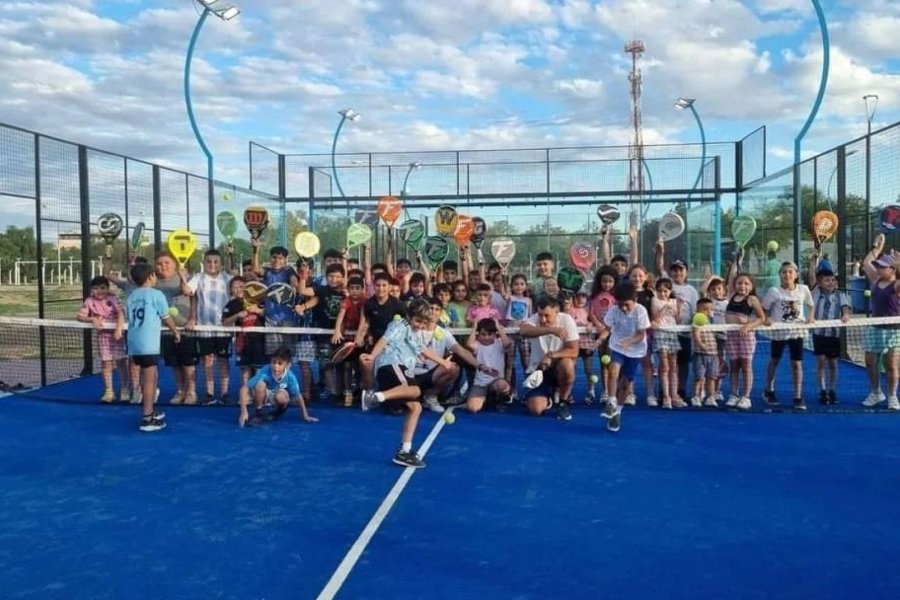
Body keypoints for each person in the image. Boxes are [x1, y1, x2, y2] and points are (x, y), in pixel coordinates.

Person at [362, 299, 454, 469]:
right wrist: (372, 356)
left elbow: (422, 350)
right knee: (415, 390)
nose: (420, 325)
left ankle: (404, 451)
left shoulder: (412, 332)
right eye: (418, 321)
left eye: (423, 322)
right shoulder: (400, 324)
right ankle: (374, 397)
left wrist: (444, 362)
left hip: (401, 368)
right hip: (391, 365)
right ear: (409, 316)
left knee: (415, 408)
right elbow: (384, 340)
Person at [126, 263, 179, 432]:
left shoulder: (132, 296)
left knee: (149, 375)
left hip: (134, 343)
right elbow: (166, 317)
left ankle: (150, 410)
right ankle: (147, 418)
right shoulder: (157, 294)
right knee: (149, 379)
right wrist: (175, 331)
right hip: (148, 343)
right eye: (154, 274)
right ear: (149, 277)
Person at [597, 281, 650, 433]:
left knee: (626, 384)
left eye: (627, 304)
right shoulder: (614, 311)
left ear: (635, 300)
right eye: (621, 304)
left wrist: (629, 342)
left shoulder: (641, 311)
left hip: (636, 350)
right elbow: (607, 330)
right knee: (613, 371)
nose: (624, 308)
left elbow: (641, 335)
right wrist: (600, 339)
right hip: (618, 347)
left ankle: (617, 411)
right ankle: (611, 400)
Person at [762, 261, 815, 411]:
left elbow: (811, 305)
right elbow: (764, 308)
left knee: (797, 364)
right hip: (779, 332)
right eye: (784, 272)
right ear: (780, 275)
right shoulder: (774, 291)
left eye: (790, 272)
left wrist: (811, 317)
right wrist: (767, 318)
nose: (787, 275)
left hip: (797, 332)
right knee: (775, 360)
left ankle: (798, 396)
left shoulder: (803, 290)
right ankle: (769, 390)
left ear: (796, 275)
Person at [519, 296, 580, 420]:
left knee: (567, 364)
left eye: (547, 315)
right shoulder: (534, 319)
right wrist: (550, 330)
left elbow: (574, 350)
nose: (542, 319)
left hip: (558, 367)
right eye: (540, 314)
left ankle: (564, 402)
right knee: (536, 409)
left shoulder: (567, 320)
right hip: (539, 369)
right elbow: (524, 331)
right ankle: (549, 396)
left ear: (556, 311)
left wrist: (551, 355)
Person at [186, 249, 232, 405]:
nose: (212, 264)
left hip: (224, 329)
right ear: (204, 262)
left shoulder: (228, 278)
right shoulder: (198, 278)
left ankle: (225, 394)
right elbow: (188, 291)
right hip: (204, 328)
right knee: (207, 360)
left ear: (221, 263)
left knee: (223, 362)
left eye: (216, 261)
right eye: (209, 261)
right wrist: (181, 273)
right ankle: (209, 394)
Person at [861, 235, 900, 410]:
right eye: (879, 266)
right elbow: (866, 263)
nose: (878, 268)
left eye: (883, 267)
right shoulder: (876, 279)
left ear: (892, 269)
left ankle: (892, 396)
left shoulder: (896, 285)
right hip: (875, 328)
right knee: (870, 361)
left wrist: (899, 263)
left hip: (894, 329)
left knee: (891, 364)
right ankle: (876, 392)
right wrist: (877, 247)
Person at [808, 248, 851, 405]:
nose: (830, 282)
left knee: (833, 363)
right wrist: (813, 259)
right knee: (820, 362)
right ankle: (822, 391)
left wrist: (845, 315)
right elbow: (811, 275)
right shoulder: (815, 292)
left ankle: (832, 390)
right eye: (826, 280)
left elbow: (845, 308)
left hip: (834, 335)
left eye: (832, 280)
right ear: (820, 282)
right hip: (819, 335)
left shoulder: (841, 295)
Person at [76, 275, 127, 403]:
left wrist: (119, 329)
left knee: (121, 363)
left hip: (117, 336)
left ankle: (125, 390)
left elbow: (121, 313)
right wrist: (92, 319)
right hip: (103, 336)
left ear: (108, 288)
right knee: (106, 363)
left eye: (103, 288)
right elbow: (80, 316)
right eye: (96, 288)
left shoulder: (113, 299)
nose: (99, 291)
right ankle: (109, 391)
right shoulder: (89, 301)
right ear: (91, 290)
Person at [238, 347, 318, 427]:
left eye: (280, 363)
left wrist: (306, 416)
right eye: (274, 362)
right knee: (260, 385)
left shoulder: (290, 377)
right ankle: (258, 413)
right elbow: (244, 389)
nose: (276, 366)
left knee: (281, 397)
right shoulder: (264, 371)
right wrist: (243, 411)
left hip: (279, 395)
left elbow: (298, 396)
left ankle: (279, 411)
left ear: (287, 365)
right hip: (265, 394)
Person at [155, 252, 196, 405]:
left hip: (186, 329)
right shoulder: (153, 282)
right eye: (159, 263)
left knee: (188, 363)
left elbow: (193, 296)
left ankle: (191, 392)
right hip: (165, 330)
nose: (163, 266)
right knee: (174, 363)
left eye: (166, 262)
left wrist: (192, 317)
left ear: (174, 264)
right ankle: (180, 392)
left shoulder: (186, 278)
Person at [723, 268, 766, 410]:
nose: (743, 286)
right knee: (734, 365)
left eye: (746, 284)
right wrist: (737, 261)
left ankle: (746, 396)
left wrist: (748, 326)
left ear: (752, 286)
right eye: (740, 283)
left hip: (746, 336)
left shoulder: (752, 299)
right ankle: (734, 394)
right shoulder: (730, 296)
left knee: (746, 366)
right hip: (732, 336)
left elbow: (761, 318)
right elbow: (730, 279)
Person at [222, 276, 266, 387]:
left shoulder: (258, 300)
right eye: (234, 287)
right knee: (245, 371)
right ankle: (246, 394)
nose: (238, 289)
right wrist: (237, 315)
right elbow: (224, 322)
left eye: (241, 286)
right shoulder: (230, 304)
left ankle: (259, 395)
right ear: (231, 290)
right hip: (242, 343)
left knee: (258, 370)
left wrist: (257, 310)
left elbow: (269, 315)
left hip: (259, 342)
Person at [465, 318, 513, 413]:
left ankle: (501, 398)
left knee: (502, 385)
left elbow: (508, 343)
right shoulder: (477, 345)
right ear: (479, 335)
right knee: (472, 408)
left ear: (495, 334)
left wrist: (498, 327)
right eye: (483, 334)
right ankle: (487, 397)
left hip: (496, 381)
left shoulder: (499, 343)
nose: (486, 337)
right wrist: (474, 328)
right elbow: (469, 344)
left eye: (490, 334)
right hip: (480, 383)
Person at [651, 278, 683, 409]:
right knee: (664, 366)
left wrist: (678, 307)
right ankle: (666, 397)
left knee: (673, 366)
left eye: (665, 291)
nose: (663, 294)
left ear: (670, 291)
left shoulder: (674, 301)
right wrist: (665, 307)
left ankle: (674, 395)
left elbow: (678, 320)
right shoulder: (655, 300)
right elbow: (655, 318)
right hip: (660, 334)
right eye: (660, 291)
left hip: (672, 333)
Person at [691, 298, 719, 408]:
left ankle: (710, 397)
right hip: (700, 354)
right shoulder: (697, 319)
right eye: (705, 309)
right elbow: (696, 333)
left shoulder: (711, 321)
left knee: (711, 377)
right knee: (699, 377)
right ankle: (696, 397)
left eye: (710, 309)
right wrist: (702, 345)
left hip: (713, 354)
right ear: (698, 310)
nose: (708, 311)